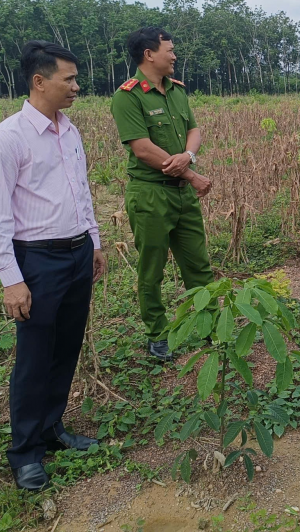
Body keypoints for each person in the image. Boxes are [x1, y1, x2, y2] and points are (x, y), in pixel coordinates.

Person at [0, 41, 107, 491]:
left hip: (75, 254)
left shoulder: (68, 130)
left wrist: (93, 242)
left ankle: (52, 428)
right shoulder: (6, 140)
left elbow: (80, 190)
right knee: (34, 358)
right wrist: (12, 280)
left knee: (66, 347)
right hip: (37, 260)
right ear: (39, 81)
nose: (76, 87)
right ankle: (26, 452)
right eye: (68, 79)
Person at [111, 26, 214, 361]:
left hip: (182, 194)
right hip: (151, 195)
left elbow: (193, 130)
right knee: (151, 269)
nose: (174, 56)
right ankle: (158, 334)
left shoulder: (178, 90)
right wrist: (193, 175)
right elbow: (142, 149)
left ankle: (211, 326)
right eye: (169, 50)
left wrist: (189, 156)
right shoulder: (127, 96)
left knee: (198, 266)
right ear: (149, 54)